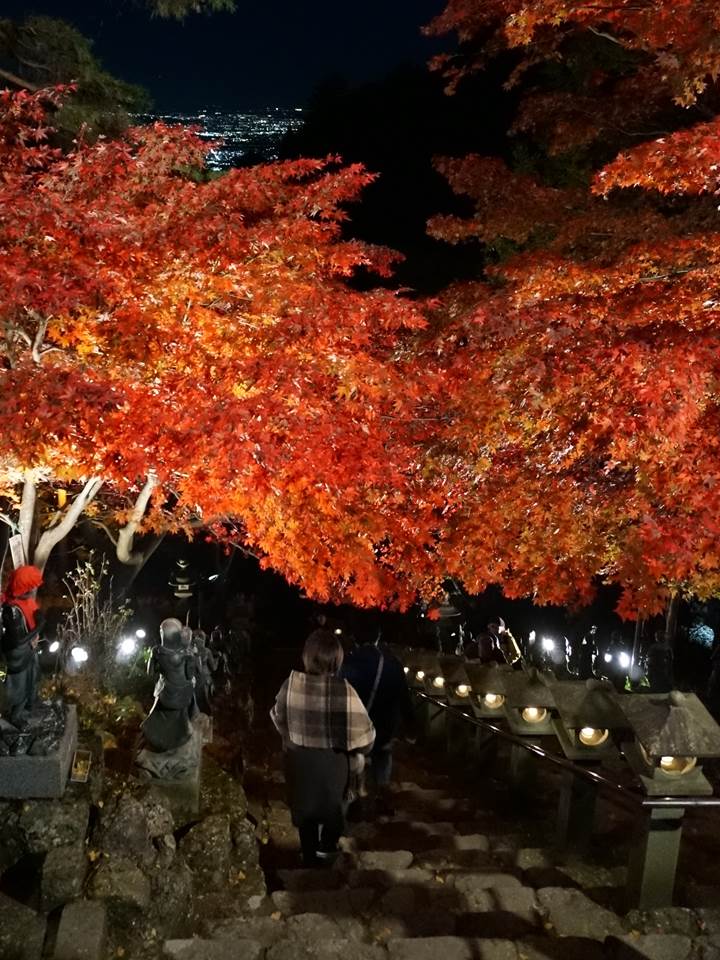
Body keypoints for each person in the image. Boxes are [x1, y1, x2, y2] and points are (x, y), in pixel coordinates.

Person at [270, 629, 375, 866]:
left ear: (307, 656)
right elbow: (364, 736)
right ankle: (326, 853)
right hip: (334, 764)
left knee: (305, 814)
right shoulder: (343, 689)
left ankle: (308, 857)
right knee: (333, 813)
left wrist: (296, 736)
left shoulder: (291, 684)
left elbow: (278, 718)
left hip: (299, 762)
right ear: (336, 659)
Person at [340, 628, 415, 813]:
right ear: (378, 637)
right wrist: (411, 729)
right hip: (384, 727)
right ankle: (382, 796)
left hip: (355, 727)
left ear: (353, 637)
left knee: (354, 759)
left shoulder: (347, 662)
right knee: (383, 756)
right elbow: (404, 698)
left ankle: (355, 800)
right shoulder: (392, 663)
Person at [141, 618, 196, 752]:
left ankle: (156, 741)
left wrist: (162, 670)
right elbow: (190, 675)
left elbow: (150, 673)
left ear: (162, 633)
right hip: (184, 696)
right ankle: (181, 739)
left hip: (166, 695)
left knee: (157, 714)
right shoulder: (187, 652)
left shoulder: (157, 651)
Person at [0, 564, 44, 728]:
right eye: (30, 587)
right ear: (22, 588)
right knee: (18, 687)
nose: (33, 590)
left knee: (32, 679)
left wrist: (39, 617)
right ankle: (14, 715)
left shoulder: (26, 601)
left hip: (28, 651)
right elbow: (18, 640)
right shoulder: (11, 610)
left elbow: (35, 611)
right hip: (15, 656)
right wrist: (39, 626)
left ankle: (30, 703)